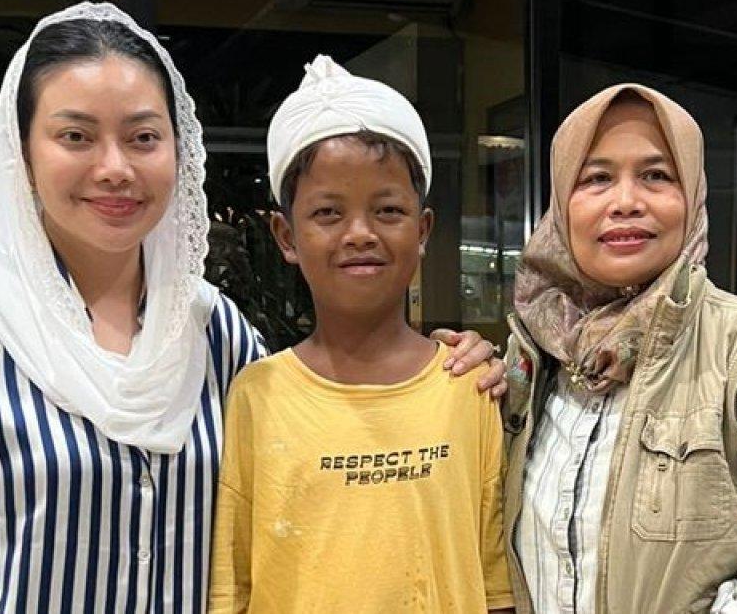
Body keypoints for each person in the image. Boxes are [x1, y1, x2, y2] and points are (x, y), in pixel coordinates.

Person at [0, 4, 503, 612]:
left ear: (176, 150)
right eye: (75, 135)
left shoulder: (211, 334)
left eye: (142, 137)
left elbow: (328, 426)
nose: (114, 167)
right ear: (23, 152)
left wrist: (463, 365)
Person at [500, 84, 737, 613]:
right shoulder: (534, 353)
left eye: (656, 176)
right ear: (561, 204)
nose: (626, 202)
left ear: (693, 197)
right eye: (596, 178)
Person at [209, 55, 515, 613]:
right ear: (286, 235)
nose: (359, 233)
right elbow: (233, 589)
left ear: (423, 229)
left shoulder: (467, 388)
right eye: (328, 213)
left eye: (388, 210)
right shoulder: (256, 396)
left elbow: (494, 585)